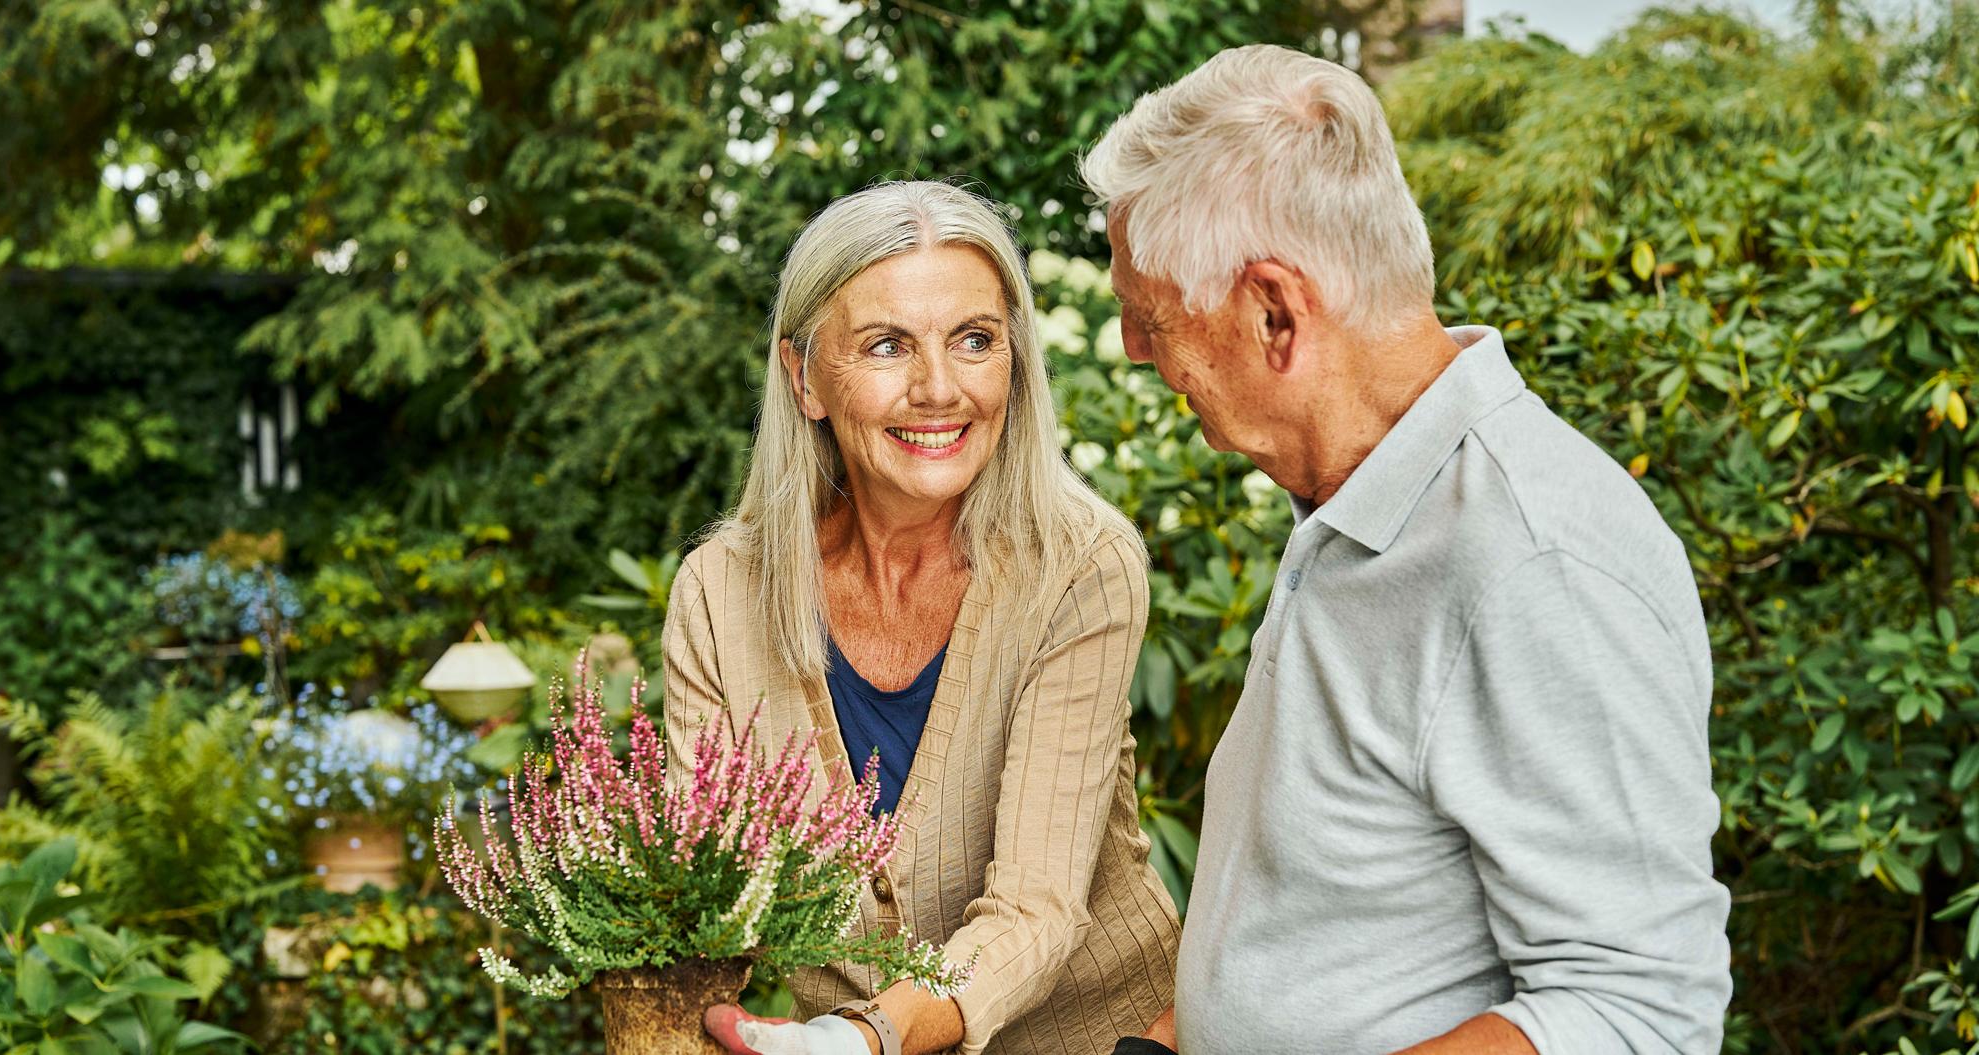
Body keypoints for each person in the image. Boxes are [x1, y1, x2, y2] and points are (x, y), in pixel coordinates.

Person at [1081, 46, 1733, 1055]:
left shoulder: (1534, 560)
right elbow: (1323, 914)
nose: (1134, 348)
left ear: (1273, 312)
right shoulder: (1357, 497)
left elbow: (1638, 1013)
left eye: (1151, 315)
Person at [663, 180, 1181, 1055]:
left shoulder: (1078, 566)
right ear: (805, 378)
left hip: (1110, 1039)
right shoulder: (720, 595)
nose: (939, 388)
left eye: (974, 340)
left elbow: (1037, 908)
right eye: (887, 345)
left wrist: (859, 1037)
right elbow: (705, 904)